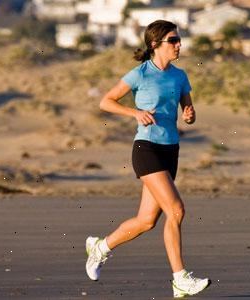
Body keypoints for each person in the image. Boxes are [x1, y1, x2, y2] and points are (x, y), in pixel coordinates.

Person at [85, 20, 211, 298]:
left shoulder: (180, 77)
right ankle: (180, 279)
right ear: (155, 44)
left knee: (146, 221)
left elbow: (188, 109)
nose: (179, 44)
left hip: (170, 149)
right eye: (173, 40)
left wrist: (189, 115)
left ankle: (101, 247)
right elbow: (106, 101)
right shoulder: (140, 74)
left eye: (179, 39)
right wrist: (135, 113)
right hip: (146, 149)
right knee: (176, 210)